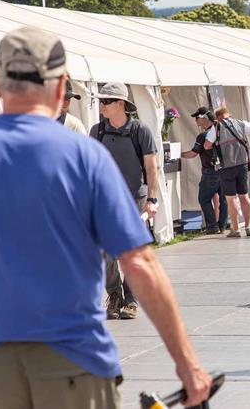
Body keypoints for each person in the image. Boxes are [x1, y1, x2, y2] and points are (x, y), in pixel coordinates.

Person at [0, 26, 212, 407]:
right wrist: (187, 363)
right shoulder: (86, 158)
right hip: (75, 359)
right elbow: (140, 264)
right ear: (61, 87)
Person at [90, 82, 159, 320]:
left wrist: (152, 199)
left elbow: (151, 168)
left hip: (135, 200)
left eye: (107, 101)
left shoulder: (140, 130)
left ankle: (130, 299)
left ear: (121, 103)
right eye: (101, 100)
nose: (102, 105)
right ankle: (114, 295)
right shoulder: (97, 131)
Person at [204, 107, 250, 238]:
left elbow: (207, 145)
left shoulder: (216, 127)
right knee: (244, 196)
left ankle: (235, 229)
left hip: (226, 166)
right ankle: (248, 227)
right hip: (242, 163)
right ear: (228, 115)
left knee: (231, 199)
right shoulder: (240, 123)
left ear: (217, 117)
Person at [181, 107, 227, 234]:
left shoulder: (203, 136)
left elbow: (192, 154)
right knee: (224, 199)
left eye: (197, 118)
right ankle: (222, 225)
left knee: (204, 199)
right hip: (225, 170)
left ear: (203, 118)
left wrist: (178, 154)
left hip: (211, 171)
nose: (196, 121)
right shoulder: (223, 131)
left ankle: (212, 226)